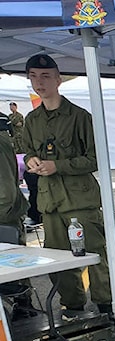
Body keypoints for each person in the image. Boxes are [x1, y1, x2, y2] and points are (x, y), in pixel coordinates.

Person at [21, 54, 111, 319]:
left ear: (58, 80)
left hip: (79, 200)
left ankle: (107, 306)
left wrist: (57, 166)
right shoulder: (31, 120)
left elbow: (95, 158)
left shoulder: (79, 117)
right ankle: (72, 305)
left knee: (94, 256)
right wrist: (32, 161)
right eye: (34, 77)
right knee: (59, 259)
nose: (39, 82)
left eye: (45, 76)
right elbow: (26, 153)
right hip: (50, 202)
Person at [0, 114, 38, 320]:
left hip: (4, 217)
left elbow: (5, 192)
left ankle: (24, 307)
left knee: (14, 272)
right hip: (5, 213)